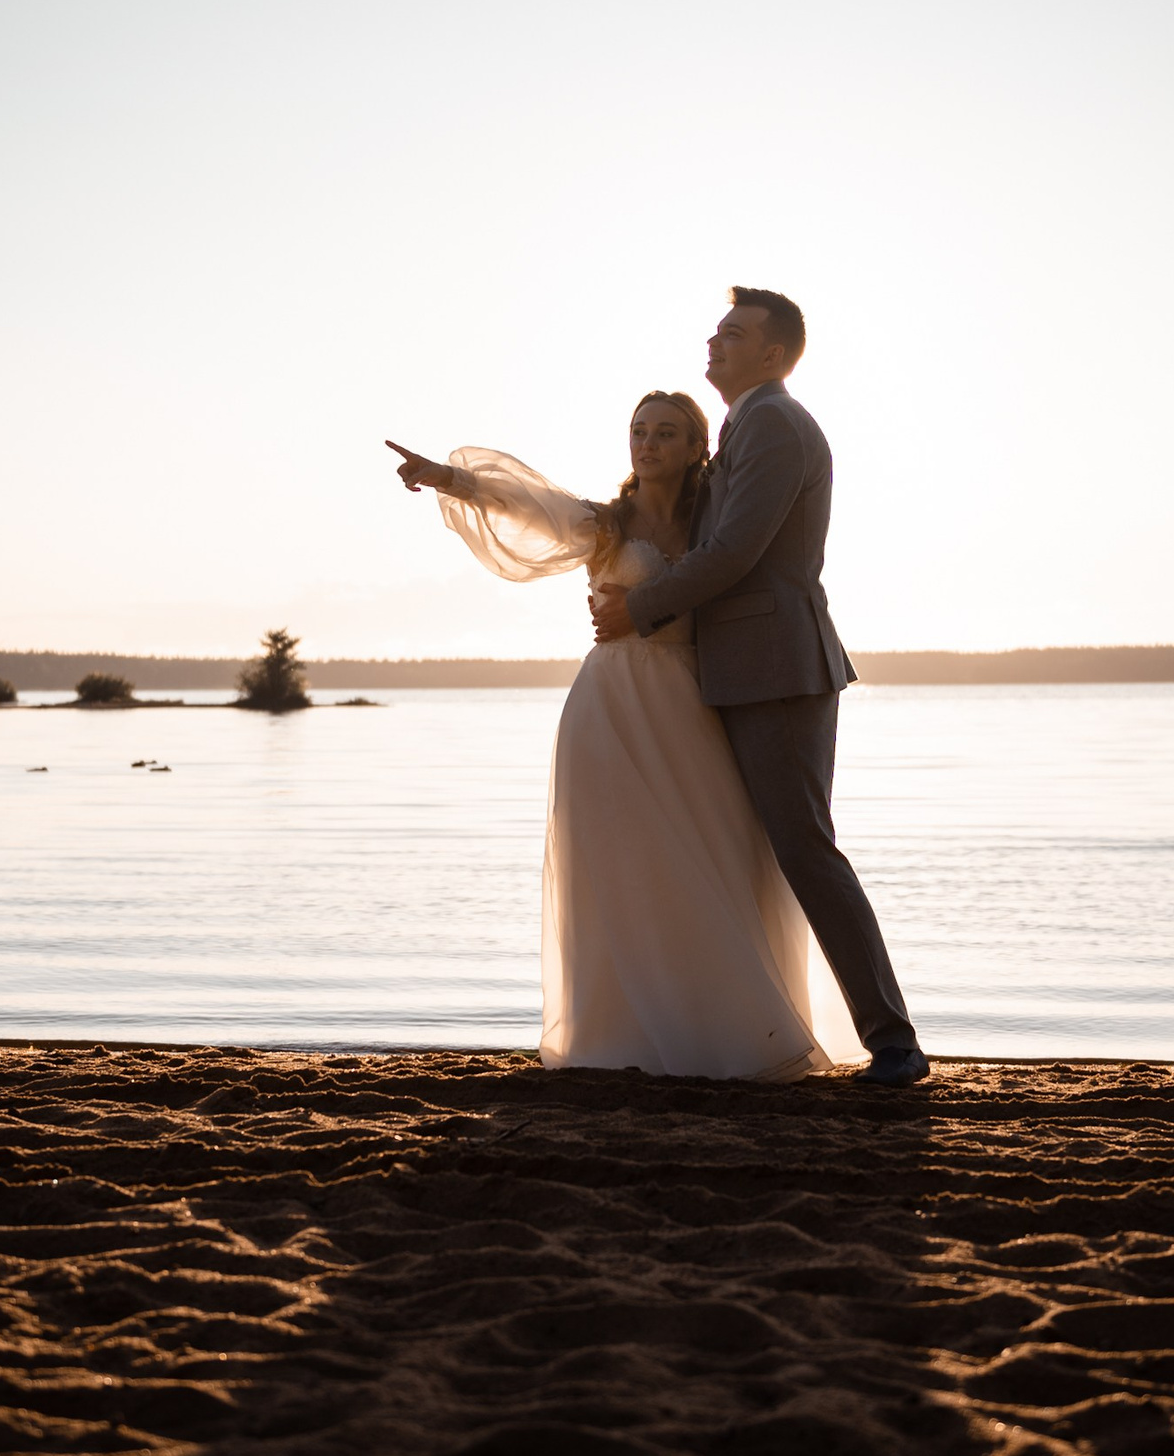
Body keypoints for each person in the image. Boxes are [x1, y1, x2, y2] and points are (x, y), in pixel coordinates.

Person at [385, 389, 860, 1080]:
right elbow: (533, 507)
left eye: (666, 432)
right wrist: (449, 477)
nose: (648, 443)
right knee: (621, 872)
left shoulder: (717, 524)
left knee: (718, 858)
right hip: (608, 709)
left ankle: (732, 1032)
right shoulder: (607, 525)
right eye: (639, 431)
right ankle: (622, 1035)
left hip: (698, 705)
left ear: (699, 446)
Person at [588, 288, 927, 1087]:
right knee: (755, 848)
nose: (714, 340)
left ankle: (893, 1041)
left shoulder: (774, 421)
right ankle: (736, 1025)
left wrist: (639, 607)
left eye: (733, 333)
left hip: (777, 663)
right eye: (716, 329)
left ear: (774, 354)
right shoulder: (745, 424)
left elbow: (738, 549)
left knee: (803, 846)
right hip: (742, 667)